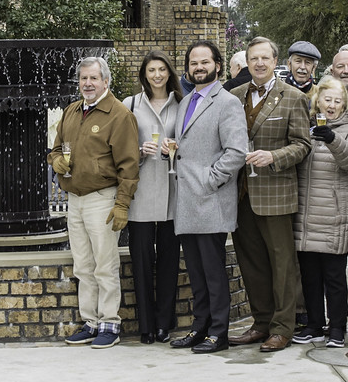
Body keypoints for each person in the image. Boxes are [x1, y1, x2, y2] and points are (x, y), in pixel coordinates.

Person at [47, 58, 141, 349]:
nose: (88, 83)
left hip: (103, 198)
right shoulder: (72, 111)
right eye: (83, 79)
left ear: (106, 82)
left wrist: (122, 204)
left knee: (105, 265)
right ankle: (90, 322)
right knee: (83, 266)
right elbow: (55, 149)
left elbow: (129, 165)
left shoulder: (119, 115)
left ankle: (110, 323)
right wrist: (56, 162)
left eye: (93, 79)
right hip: (74, 199)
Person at [229, 37, 312, 352]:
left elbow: (303, 145)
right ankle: (261, 323)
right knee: (251, 264)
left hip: (276, 193)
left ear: (276, 61)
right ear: (247, 62)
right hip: (240, 194)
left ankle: (282, 328)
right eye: (254, 58)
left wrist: (274, 156)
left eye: (265, 58)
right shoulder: (234, 96)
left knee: (282, 264)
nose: (259, 63)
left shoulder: (291, 97)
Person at [168, 40, 247, 354]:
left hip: (211, 200)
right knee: (196, 273)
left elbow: (237, 152)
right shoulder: (186, 101)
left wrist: (209, 180)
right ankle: (199, 328)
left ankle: (218, 332)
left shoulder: (226, 102)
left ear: (217, 64)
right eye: (193, 63)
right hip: (187, 201)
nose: (198, 67)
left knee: (213, 274)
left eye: (204, 62)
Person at [295, 79, 348, 348]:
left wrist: (333, 139)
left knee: (334, 277)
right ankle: (314, 324)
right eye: (327, 100)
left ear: (344, 104)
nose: (332, 105)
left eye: (337, 101)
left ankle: (336, 327)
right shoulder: (304, 128)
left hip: (336, 214)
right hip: (306, 213)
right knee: (310, 275)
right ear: (317, 101)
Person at [125, 52, 185, 344]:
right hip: (142, 194)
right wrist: (139, 151)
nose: (157, 75)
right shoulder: (131, 104)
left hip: (173, 194)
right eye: (152, 70)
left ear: (169, 72)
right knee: (142, 262)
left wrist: (175, 147)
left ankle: (164, 323)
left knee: (169, 263)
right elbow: (121, 151)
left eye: (162, 69)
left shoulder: (183, 103)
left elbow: (191, 142)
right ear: (144, 74)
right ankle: (146, 325)